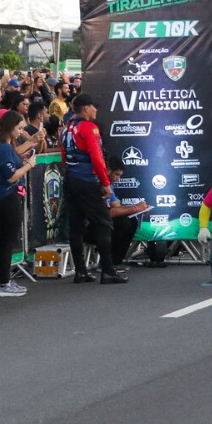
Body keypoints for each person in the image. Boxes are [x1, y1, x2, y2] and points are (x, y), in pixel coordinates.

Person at [61, 94, 127, 285]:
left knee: (76, 226)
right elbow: (97, 158)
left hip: (71, 178)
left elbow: (64, 156)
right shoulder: (90, 128)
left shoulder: (67, 127)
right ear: (86, 108)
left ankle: (80, 271)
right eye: (94, 107)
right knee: (104, 222)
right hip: (87, 180)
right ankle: (107, 271)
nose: (96, 110)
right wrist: (105, 183)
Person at [0, 111, 36, 297]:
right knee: (7, 241)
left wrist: (22, 160)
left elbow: (11, 164)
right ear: (10, 127)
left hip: (4, 197)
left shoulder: (4, 145)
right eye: (19, 128)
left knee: (6, 240)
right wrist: (29, 165)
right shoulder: (4, 148)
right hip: (6, 197)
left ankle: (5, 281)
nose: (21, 131)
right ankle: (4, 283)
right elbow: (11, 177)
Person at [104, 155, 152, 268]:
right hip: (91, 225)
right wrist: (136, 208)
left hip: (102, 221)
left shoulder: (108, 186)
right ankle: (107, 263)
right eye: (116, 174)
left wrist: (140, 209)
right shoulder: (98, 183)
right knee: (123, 223)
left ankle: (115, 261)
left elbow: (117, 206)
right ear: (108, 170)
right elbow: (109, 213)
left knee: (131, 221)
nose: (118, 179)